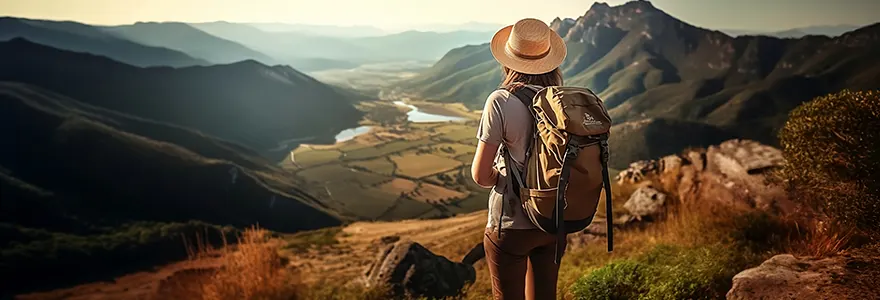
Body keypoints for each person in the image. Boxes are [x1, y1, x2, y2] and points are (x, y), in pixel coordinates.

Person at [470, 17, 568, 300]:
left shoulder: (500, 101)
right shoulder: (562, 102)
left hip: (511, 225)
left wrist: (501, 178)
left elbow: (480, 175)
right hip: (554, 221)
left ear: (509, 60)